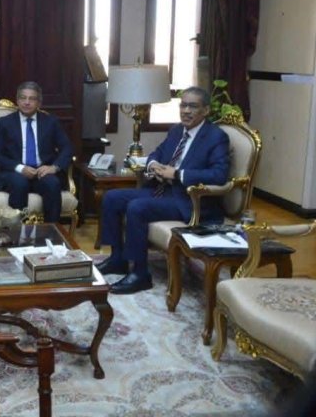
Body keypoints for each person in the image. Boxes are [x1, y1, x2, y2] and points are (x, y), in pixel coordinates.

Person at [98, 86, 230, 294]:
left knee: (137, 207)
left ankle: (140, 275)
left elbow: (219, 175)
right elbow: (156, 153)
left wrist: (177, 174)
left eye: (193, 106)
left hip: (188, 200)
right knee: (112, 197)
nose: (186, 111)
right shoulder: (177, 130)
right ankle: (117, 259)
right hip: (163, 190)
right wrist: (153, 166)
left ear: (205, 110)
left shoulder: (216, 137)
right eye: (183, 105)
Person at [0, 81, 73, 222]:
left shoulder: (50, 122)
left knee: (52, 183)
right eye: (23, 98)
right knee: (20, 183)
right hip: (15, 173)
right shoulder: (4, 123)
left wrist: (53, 167)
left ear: (39, 102)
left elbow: (67, 148)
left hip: (41, 172)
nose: (27, 102)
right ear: (17, 100)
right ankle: (16, 231)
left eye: (32, 99)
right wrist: (21, 168)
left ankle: (51, 231)